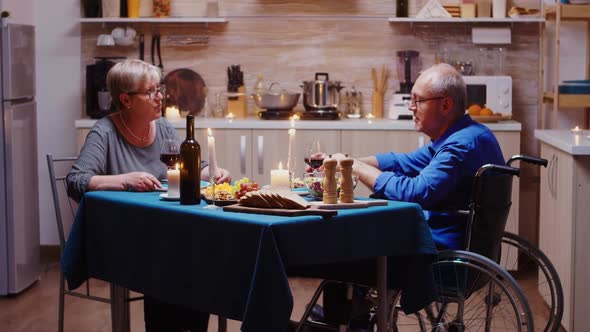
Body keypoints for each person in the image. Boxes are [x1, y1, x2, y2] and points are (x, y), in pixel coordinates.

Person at [306, 63, 506, 329]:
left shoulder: (460, 145)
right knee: (360, 239)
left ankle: (342, 320)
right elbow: (401, 162)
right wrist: (339, 160)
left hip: (438, 255)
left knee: (344, 251)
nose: (411, 107)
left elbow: (414, 192)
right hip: (451, 243)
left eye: (417, 101)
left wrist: (350, 166)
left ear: (445, 105)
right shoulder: (466, 135)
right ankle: (353, 316)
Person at [67, 59, 231, 332]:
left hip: (164, 229)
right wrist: (123, 180)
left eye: (159, 89)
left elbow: (184, 165)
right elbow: (76, 181)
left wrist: (209, 172)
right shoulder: (104, 132)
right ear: (126, 100)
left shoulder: (164, 127)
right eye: (150, 92)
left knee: (197, 251)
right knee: (173, 256)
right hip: (123, 237)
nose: (159, 97)